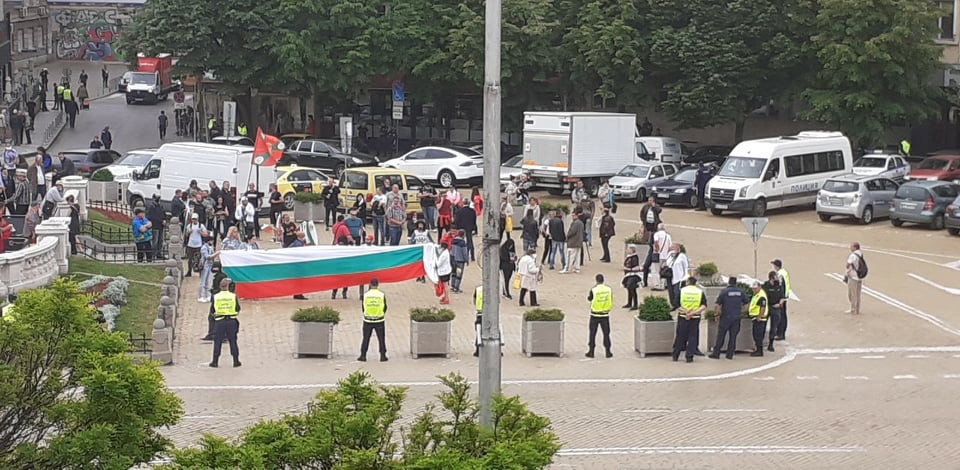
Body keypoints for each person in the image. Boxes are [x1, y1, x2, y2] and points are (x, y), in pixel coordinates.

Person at [709, 277, 750, 360]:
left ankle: (716, 353)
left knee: (721, 336)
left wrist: (716, 315)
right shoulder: (741, 292)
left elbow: (718, 305)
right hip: (736, 317)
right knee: (733, 336)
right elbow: (747, 304)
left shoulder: (724, 292)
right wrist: (741, 312)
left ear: (729, 282)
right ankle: (730, 354)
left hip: (726, 317)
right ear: (736, 283)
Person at [209, 278, 242, 368]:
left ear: (220, 286)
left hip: (219, 322)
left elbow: (212, 310)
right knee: (233, 341)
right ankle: (236, 361)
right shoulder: (233, 296)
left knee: (217, 341)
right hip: (231, 321)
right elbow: (238, 309)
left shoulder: (215, 296)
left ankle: (215, 361)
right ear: (228, 286)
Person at [673, 277, 706, 363]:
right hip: (695, 317)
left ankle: (676, 355)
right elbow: (704, 306)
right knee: (692, 337)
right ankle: (689, 357)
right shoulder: (699, 292)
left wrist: (685, 311)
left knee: (680, 336)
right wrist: (693, 313)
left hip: (683, 316)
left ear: (688, 282)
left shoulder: (682, 291)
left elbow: (676, 304)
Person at [358, 278, 388, 362]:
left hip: (368, 320)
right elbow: (385, 307)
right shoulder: (381, 295)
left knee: (366, 338)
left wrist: (367, 314)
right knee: (381, 338)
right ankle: (383, 356)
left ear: (370, 284)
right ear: (378, 284)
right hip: (379, 320)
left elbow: (363, 307)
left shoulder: (366, 295)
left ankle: (363, 355)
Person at [586, 273, 614, 358]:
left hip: (595, 314)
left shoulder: (594, 290)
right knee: (606, 334)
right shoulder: (609, 289)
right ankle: (608, 352)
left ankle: (591, 352)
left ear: (596, 280)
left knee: (592, 333)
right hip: (605, 315)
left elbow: (590, 298)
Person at [762, 271, 784, 352]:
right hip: (767, 307)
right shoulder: (765, 286)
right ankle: (760, 342)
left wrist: (780, 304)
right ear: (771, 278)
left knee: (774, 327)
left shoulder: (779, 286)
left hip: (776, 308)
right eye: (775, 277)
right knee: (763, 324)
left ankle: (771, 344)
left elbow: (782, 297)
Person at [771, 259, 791, 340]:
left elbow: (780, 287)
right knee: (783, 316)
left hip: (781, 298)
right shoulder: (784, 272)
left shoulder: (779, 275)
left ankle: (781, 334)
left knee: (781, 316)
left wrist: (780, 298)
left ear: (776, 266)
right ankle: (781, 333)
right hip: (785, 297)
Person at [648, 223, 672, 289]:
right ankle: (663, 284)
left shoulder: (657, 234)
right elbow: (670, 247)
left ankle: (657, 285)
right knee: (663, 271)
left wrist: (657, 249)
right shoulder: (668, 236)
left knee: (655, 270)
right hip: (665, 256)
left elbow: (656, 242)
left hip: (658, 255)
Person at [748, 281, 769, 356]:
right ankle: (758, 350)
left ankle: (759, 351)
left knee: (758, 335)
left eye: (755, 288)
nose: (754, 290)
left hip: (760, 319)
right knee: (756, 335)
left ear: (759, 287)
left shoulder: (761, 295)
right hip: (756, 318)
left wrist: (759, 317)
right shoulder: (756, 294)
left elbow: (762, 307)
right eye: (753, 289)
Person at [562, 209, 584, 274]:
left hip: (573, 242)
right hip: (579, 242)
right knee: (577, 256)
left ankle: (567, 268)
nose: (572, 217)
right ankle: (577, 268)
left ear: (577, 216)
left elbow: (572, 232)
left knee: (570, 256)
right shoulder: (581, 223)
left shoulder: (575, 223)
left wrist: (567, 236)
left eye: (573, 215)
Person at [666, 243, 688, 309]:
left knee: (677, 292)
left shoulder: (682, 256)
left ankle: (678, 305)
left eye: (673, 247)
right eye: (671, 247)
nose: (672, 249)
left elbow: (686, 266)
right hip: (670, 276)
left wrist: (685, 276)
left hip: (679, 277)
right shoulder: (670, 255)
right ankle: (673, 305)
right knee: (671, 291)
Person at [845, 242, 865, 315]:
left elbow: (847, 265)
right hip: (860, 276)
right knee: (858, 294)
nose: (850, 248)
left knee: (851, 294)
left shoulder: (853, 255)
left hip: (853, 276)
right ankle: (857, 309)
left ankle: (853, 309)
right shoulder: (860, 254)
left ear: (855, 247)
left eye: (851, 247)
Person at [622, 244, 641, 310]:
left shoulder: (634, 257)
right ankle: (629, 303)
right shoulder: (629, 257)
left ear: (632, 250)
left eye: (629, 249)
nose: (627, 250)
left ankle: (635, 304)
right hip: (628, 275)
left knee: (632, 289)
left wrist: (628, 269)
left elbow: (635, 267)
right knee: (629, 288)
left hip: (633, 275)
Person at [450, 229, 469, 293]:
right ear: (463, 235)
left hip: (453, 260)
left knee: (453, 273)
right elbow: (465, 253)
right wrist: (466, 260)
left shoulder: (453, 241)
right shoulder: (462, 243)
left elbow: (451, 250)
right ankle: (456, 287)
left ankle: (452, 286)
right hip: (460, 261)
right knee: (459, 274)